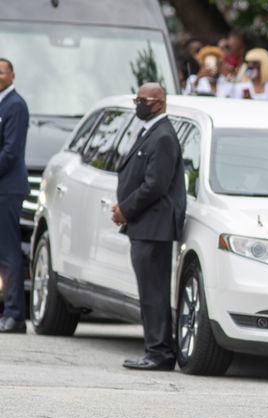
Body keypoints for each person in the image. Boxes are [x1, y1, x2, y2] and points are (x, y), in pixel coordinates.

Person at [112, 83, 186, 370]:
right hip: (144, 225)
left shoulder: (164, 136)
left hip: (154, 226)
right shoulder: (151, 131)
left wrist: (125, 209)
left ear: (158, 103)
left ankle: (159, 352)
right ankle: (155, 348)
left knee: (154, 292)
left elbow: (155, 184)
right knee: (148, 290)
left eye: (141, 100)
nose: (137, 104)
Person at [0, 58, 29, 334]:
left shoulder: (15, 106)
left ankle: (15, 315)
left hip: (7, 188)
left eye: (1, 71)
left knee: (9, 253)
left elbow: (10, 151)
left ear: (12, 76)